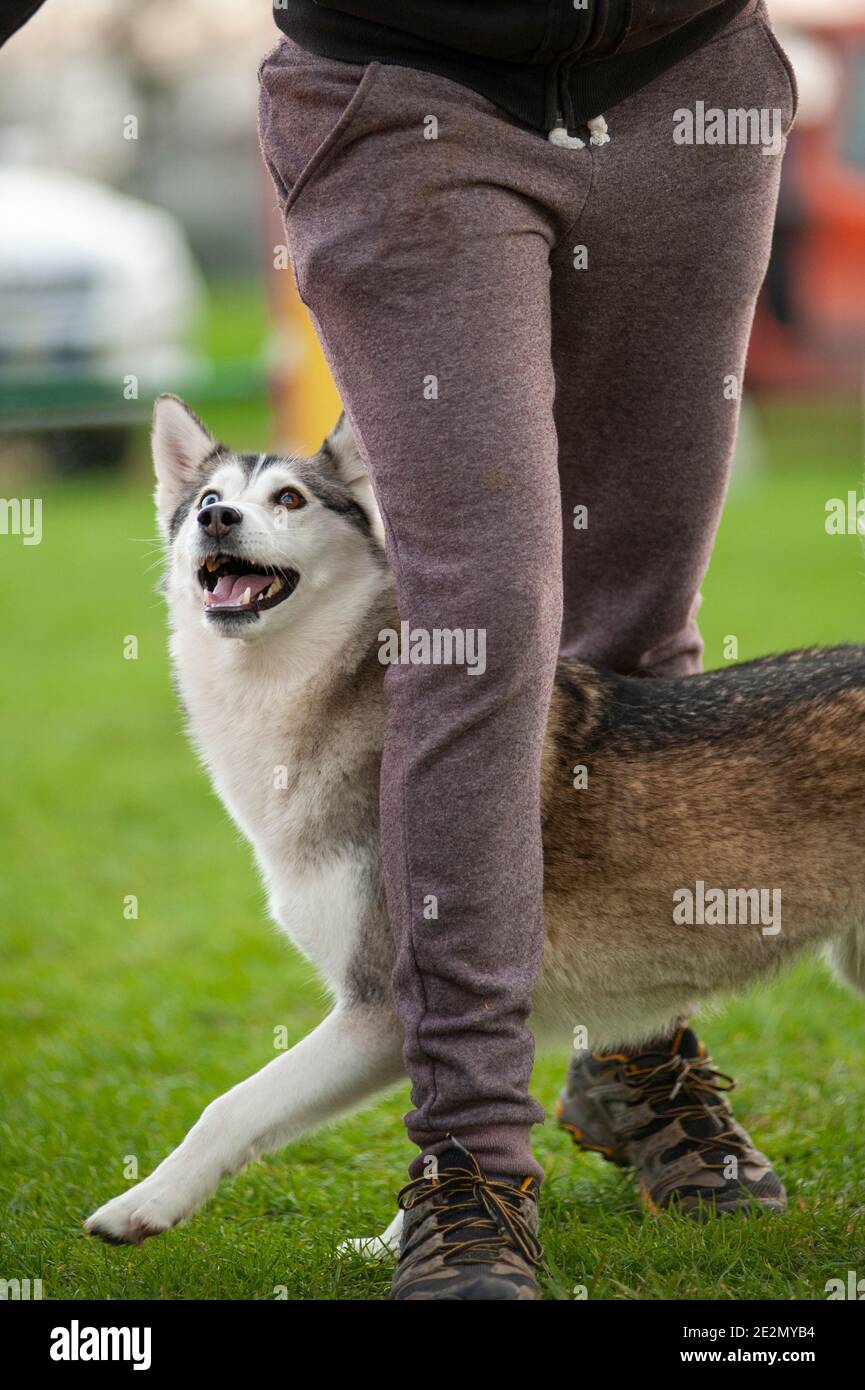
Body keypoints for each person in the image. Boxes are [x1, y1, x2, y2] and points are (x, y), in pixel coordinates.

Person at [258, 0, 798, 1300]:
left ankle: (628, 1049)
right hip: (402, 92)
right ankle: (468, 1159)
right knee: (481, 619)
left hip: (689, 83)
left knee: (637, 624)